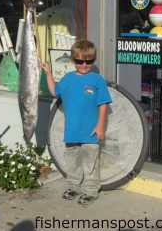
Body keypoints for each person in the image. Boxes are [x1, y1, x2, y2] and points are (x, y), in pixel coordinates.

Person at [42, 39, 112, 205]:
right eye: (80, 61)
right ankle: (73, 186)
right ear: (73, 60)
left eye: (89, 61)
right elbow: (54, 91)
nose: (84, 64)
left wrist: (100, 126)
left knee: (90, 163)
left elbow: (103, 104)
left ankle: (91, 190)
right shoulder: (67, 79)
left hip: (91, 131)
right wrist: (48, 74)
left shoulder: (97, 80)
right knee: (72, 161)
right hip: (72, 131)